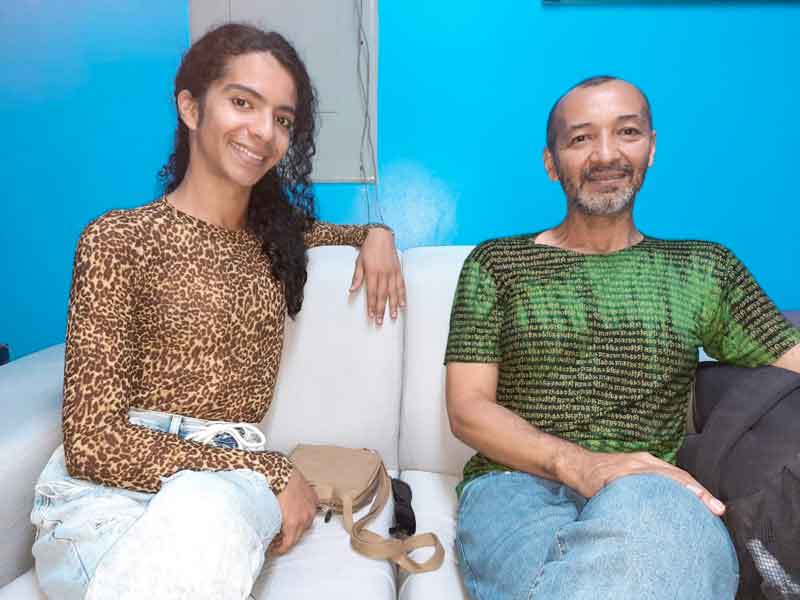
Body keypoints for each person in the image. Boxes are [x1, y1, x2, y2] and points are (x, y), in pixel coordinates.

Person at [30, 23, 404, 600]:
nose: (265, 131)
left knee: (208, 507)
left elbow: (350, 232)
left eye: (283, 119)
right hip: (106, 500)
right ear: (190, 107)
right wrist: (271, 471)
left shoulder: (277, 237)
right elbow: (93, 441)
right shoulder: (118, 238)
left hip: (226, 491)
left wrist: (378, 234)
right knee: (204, 515)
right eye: (242, 103)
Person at [445, 75, 800, 599]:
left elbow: (789, 360)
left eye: (627, 132)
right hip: (515, 485)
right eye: (581, 138)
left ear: (650, 148)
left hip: (649, 489)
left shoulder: (703, 268)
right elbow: (467, 409)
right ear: (551, 162)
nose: (606, 154)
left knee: (651, 542)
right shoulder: (496, 264)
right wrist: (582, 464)